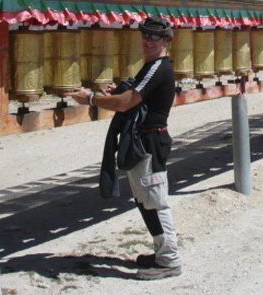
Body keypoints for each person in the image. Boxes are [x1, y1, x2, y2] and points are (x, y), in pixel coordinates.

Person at [68, 17, 181, 280]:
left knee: (155, 201)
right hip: (142, 141)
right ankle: (161, 252)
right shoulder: (151, 67)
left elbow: (125, 103)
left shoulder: (157, 68)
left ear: (166, 40)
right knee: (144, 200)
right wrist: (115, 93)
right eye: (145, 36)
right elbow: (134, 97)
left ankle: (170, 260)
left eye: (155, 37)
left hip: (150, 142)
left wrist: (91, 99)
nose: (148, 41)